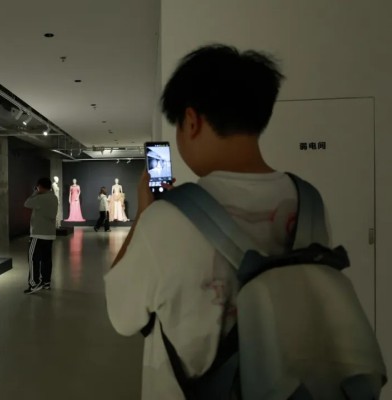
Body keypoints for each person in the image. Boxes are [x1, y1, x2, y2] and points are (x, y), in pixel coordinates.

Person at [104, 44, 305, 399]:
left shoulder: (166, 219)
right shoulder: (308, 203)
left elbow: (122, 316)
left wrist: (145, 214)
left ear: (192, 121)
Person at [24, 177, 58, 293]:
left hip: (38, 234)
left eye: (38, 187)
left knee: (33, 259)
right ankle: (46, 282)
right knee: (46, 260)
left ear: (40, 187)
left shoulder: (39, 198)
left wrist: (35, 193)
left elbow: (26, 203)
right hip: (50, 234)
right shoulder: (54, 198)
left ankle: (34, 283)